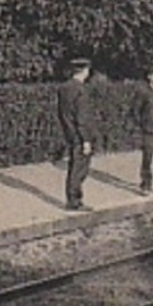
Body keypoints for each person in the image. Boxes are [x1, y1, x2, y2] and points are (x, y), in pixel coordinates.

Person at [56, 57, 95, 211]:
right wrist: (86, 139)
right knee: (80, 168)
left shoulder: (64, 88)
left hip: (69, 132)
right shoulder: (81, 90)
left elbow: (62, 113)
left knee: (74, 165)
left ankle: (73, 198)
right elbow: (82, 117)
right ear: (85, 71)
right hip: (80, 135)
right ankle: (74, 200)